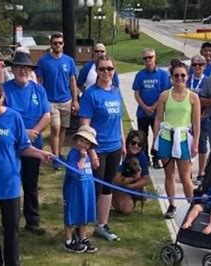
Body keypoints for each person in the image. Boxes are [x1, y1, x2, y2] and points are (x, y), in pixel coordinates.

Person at [0, 79, 50, 266]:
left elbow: (23, 147)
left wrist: (40, 154)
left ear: (3, 96)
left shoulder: (14, 118)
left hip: (9, 181)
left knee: (11, 228)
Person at [3, 50, 50, 235]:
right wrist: (23, 133)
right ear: (13, 69)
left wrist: (35, 132)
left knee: (31, 183)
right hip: (12, 145)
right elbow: (2, 116)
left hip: (34, 144)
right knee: (11, 182)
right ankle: (10, 221)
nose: (23, 71)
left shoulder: (38, 89)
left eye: (26, 68)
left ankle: (32, 220)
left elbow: (46, 115)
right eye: (19, 67)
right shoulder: (5, 90)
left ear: (31, 70)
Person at [79, 55, 124, 241]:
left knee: (108, 188)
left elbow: (119, 119)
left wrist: (122, 142)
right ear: (96, 71)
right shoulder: (91, 95)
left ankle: (102, 225)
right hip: (99, 150)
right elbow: (85, 127)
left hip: (114, 147)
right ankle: (80, 227)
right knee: (93, 189)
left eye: (110, 69)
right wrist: (91, 152)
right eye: (102, 69)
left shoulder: (115, 91)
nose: (106, 72)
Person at [153, 61, 201, 219]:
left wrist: (195, 143)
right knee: (169, 174)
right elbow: (159, 118)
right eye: (176, 75)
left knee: (185, 176)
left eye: (182, 75)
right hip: (167, 137)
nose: (179, 78)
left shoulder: (193, 97)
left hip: (183, 139)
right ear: (171, 77)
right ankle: (172, 205)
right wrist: (155, 140)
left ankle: (192, 205)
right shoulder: (164, 95)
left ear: (187, 76)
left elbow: (196, 122)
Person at [36, 32, 78, 169]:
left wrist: (75, 100)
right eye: (55, 43)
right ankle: (55, 158)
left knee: (63, 129)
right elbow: (39, 81)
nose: (58, 45)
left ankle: (59, 154)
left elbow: (72, 80)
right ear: (51, 44)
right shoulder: (43, 61)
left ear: (63, 44)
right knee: (55, 128)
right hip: (50, 100)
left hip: (66, 99)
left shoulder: (69, 60)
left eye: (60, 43)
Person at [132, 48, 171, 169]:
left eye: (150, 57)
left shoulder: (163, 75)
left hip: (157, 113)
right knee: (142, 137)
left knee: (157, 136)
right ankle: (144, 159)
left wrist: (154, 107)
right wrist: (144, 107)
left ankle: (156, 158)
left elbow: (165, 93)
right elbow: (137, 93)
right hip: (142, 112)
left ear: (155, 58)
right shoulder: (140, 75)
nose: (148, 60)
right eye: (145, 58)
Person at [63, 125, 99, 253]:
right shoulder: (74, 154)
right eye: (81, 141)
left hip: (86, 190)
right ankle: (69, 240)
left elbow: (88, 172)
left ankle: (82, 237)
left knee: (85, 214)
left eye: (87, 143)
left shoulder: (87, 154)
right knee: (71, 214)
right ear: (76, 140)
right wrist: (83, 158)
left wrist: (92, 163)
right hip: (74, 191)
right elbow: (76, 172)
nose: (83, 145)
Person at [112, 130, 150, 214]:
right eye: (133, 143)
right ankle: (113, 197)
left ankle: (133, 196)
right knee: (126, 209)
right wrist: (134, 178)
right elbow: (116, 179)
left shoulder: (142, 156)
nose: (136, 146)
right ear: (128, 142)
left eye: (139, 144)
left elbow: (146, 179)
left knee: (127, 208)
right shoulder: (121, 154)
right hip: (117, 185)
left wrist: (132, 186)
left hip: (129, 184)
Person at [186, 54, 209, 182]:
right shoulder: (187, 80)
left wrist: (203, 114)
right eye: (195, 64)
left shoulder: (208, 81)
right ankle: (187, 171)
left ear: (204, 66)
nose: (197, 67)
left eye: (200, 65)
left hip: (203, 117)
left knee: (202, 145)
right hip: (188, 119)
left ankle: (201, 173)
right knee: (189, 144)